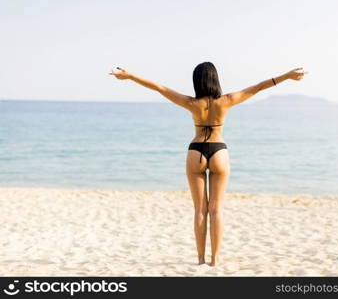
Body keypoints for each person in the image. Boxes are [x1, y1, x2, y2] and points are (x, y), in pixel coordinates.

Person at [109, 62, 307, 266]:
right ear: (215, 79)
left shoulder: (191, 103)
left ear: (197, 81)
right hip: (219, 151)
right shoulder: (226, 101)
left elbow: (160, 88)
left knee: (199, 210)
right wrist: (287, 76)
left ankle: (200, 258)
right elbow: (257, 87)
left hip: (196, 152)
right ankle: (215, 260)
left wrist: (131, 76)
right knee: (216, 210)